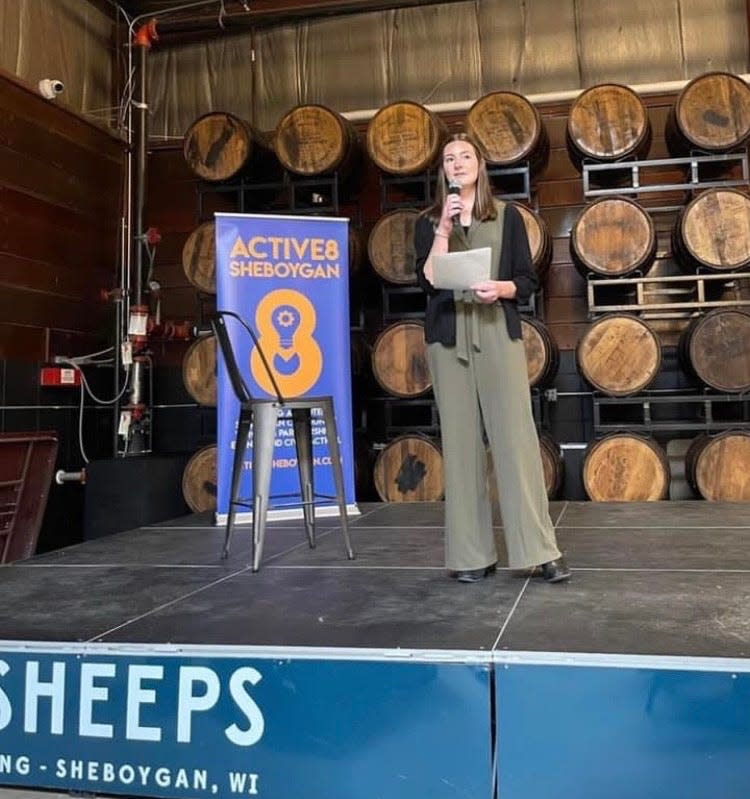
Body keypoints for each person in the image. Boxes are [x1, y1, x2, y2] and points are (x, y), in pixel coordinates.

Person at [414, 132, 570, 584]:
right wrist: (444, 226)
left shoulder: (508, 217)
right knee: (461, 447)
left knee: (516, 441)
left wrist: (501, 289)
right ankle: (470, 556)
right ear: (442, 170)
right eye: (449, 158)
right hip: (447, 338)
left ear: (480, 166)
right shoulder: (428, 222)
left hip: (495, 332)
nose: (457, 163)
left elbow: (527, 279)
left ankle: (540, 550)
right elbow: (426, 280)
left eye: (465, 156)